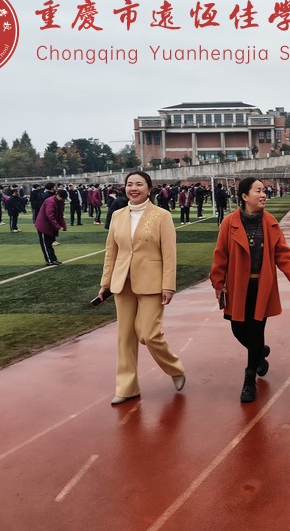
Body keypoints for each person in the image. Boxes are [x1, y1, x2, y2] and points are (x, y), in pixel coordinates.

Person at [210, 177, 290, 403]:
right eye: (258, 191)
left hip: (262, 287)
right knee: (238, 328)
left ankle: (249, 378)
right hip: (237, 286)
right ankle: (259, 352)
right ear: (244, 196)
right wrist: (218, 283)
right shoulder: (229, 223)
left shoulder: (270, 222)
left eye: (263, 191)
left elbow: (282, 251)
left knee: (256, 329)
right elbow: (220, 255)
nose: (263, 195)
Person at [98, 171, 186, 405]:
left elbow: (170, 254)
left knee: (148, 334)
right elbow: (111, 252)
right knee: (125, 337)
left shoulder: (161, 216)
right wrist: (105, 283)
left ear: (149, 188)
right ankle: (127, 387)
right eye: (129, 184)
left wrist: (168, 285)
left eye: (139, 184)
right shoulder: (117, 215)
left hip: (152, 283)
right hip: (122, 282)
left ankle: (174, 367)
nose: (133, 188)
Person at [35, 188, 67, 266]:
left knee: (50, 243)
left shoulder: (61, 202)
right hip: (43, 225)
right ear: (58, 195)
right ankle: (49, 260)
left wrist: (63, 225)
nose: (63, 200)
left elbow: (60, 215)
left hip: (51, 225)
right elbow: (50, 216)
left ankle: (53, 259)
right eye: (62, 198)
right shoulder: (50, 202)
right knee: (46, 244)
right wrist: (58, 227)